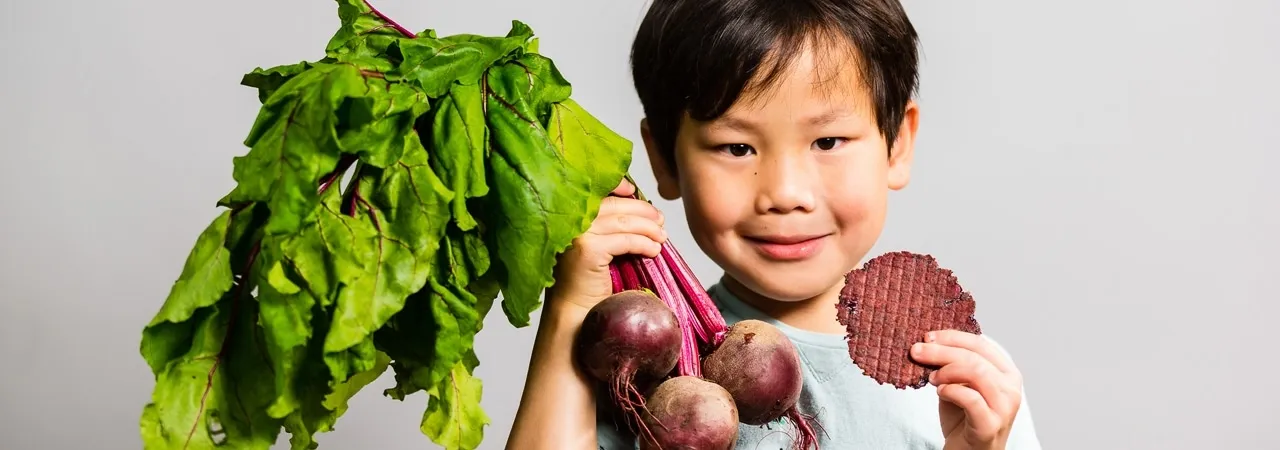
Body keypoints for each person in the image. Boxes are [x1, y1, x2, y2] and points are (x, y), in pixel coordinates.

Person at [506, 0, 1041, 448]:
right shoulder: (640, 372)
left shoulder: (968, 387)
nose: (785, 194)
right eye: (737, 148)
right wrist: (569, 311)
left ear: (897, 144)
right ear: (664, 160)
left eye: (827, 142)